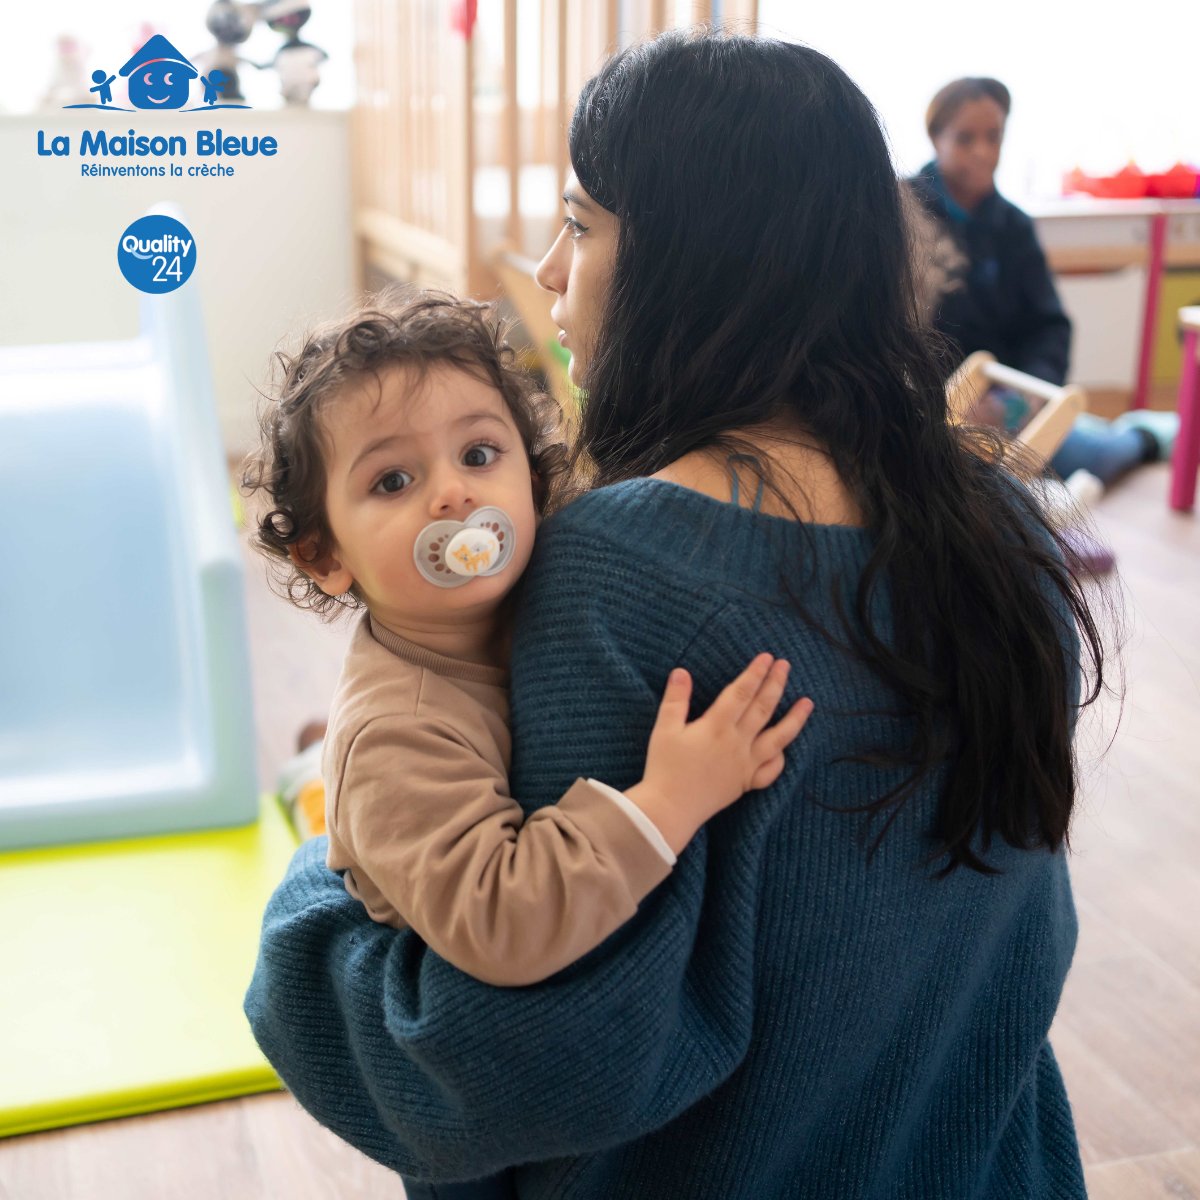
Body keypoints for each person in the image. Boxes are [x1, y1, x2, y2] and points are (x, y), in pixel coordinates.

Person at [245, 30, 1108, 1197]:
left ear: (699, 258)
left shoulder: (617, 572)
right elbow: (1023, 943)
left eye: (582, 223)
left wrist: (308, 899)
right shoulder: (1003, 529)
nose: (550, 268)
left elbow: (516, 1059)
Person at [241, 291, 812, 1199]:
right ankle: (315, 777)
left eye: (480, 453)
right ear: (324, 555)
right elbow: (503, 922)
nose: (454, 493)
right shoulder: (399, 733)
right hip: (473, 1149)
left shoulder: (541, 580)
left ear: (533, 475)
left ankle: (309, 775)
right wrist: (670, 798)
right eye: (393, 482)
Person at [906, 76, 1178, 490]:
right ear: (935, 137)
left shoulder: (1014, 225)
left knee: (1095, 456)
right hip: (921, 408)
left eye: (993, 137)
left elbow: (1049, 327)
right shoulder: (901, 212)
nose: (982, 152)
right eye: (965, 139)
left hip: (1003, 405)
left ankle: (1145, 434)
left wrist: (1012, 403)